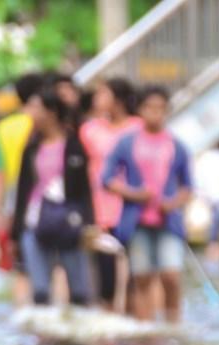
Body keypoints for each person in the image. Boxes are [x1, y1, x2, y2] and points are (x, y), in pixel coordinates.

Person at [102, 86, 193, 323]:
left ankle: (173, 324)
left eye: (160, 108)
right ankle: (146, 327)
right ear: (141, 110)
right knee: (141, 277)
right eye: (150, 108)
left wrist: (173, 203)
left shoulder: (177, 145)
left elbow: (188, 187)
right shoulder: (126, 143)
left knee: (171, 276)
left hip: (167, 222)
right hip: (137, 221)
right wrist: (133, 194)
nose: (155, 113)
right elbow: (107, 179)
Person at [10, 87, 94, 306]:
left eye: (36, 107)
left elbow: (84, 187)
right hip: (35, 221)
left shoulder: (74, 146)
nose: (30, 113)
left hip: (68, 222)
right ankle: (43, 337)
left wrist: (89, 221)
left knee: (79, 292)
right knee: (39, 291)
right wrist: (15, 231)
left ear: (52, 112)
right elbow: (23, 189)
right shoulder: (31, 148)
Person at [80, 78, 141, 311]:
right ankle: (107, 316)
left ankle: (134, 318)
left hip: (133, 208)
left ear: (118, 98)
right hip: (100, 209)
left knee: (136, 273)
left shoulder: (138, 127)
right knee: (105, 273)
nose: (97, 100)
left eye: (103, 94)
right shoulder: (90, 130)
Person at [0, 73, 45, 304]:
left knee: (21, 270)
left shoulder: (4, 128)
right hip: (46, 201)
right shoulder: (48, 124)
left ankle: (22, 317)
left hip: (14, 202)